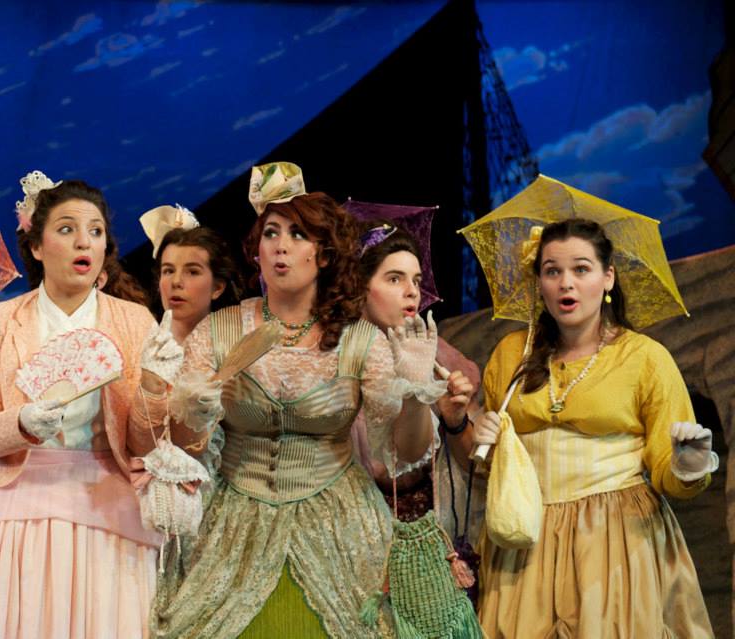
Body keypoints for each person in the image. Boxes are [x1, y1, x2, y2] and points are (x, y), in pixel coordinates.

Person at [145, 163, 446, 639]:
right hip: (233, 526)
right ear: (257, 250)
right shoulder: (220, 330)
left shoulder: (359, 339)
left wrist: (415, 392)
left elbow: (405, 454)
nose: (280, 245)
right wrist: (193, 411)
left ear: (323, 254)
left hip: (339, 525)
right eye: (271, 233)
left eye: (297, 234)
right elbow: (186, 448)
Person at [0, 172, 171, 639]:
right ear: (37, 246)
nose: (84, 241)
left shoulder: (134, 321)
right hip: (13, 503)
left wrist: (156, 392)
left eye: (95, 231)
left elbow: (145, 444)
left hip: (107, 504)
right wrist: (21, 423)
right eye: (66, 229)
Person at [473, 218, 716, 637]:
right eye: (552, 271)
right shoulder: (512, 353)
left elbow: (667, 469)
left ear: (608, 278)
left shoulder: (644, 358)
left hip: (615, 539)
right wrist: (479, 434)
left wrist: (688, 466)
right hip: (526, 541)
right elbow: (492, 467)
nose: (566, 283)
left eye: (581, 269)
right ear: (539, 283)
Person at [353, 222, 481, 541]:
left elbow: (472, 465)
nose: (412, 291)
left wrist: (455, 420)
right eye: (394, 278)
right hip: (359, 523)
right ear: (359, 287)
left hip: (429, 523)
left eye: (417, 280)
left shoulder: (432, 353)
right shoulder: (339, 355)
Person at [141, 203, 240, 343]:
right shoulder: (137, 346)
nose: (176, 282)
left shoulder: (241, 344)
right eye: (168, 271)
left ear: (217, 288)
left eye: (192, 272)